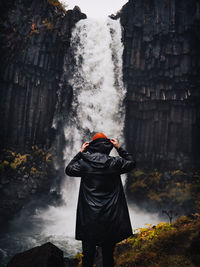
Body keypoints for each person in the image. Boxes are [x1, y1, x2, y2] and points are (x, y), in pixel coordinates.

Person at [65, 133, 136, 267]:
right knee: (108, 256)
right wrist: (119, 148)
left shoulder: (84, 163)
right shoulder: (115, 163)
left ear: (92, 147)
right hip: (110, 218)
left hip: (89, 219)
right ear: (108, 146)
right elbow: (132, 163)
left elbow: (68, 169)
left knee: (88, 257)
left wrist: (80, 153)